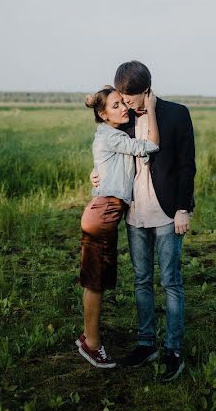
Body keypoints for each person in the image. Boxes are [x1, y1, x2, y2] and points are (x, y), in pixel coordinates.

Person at [91, 60, 196, 382]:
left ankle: (173, 349)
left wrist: (183, 209)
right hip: (134, 213)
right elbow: (106, 151)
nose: (125, 102)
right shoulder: (121, 120)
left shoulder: (177, 114)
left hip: (166, 212)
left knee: (170, 281)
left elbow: (186, 165)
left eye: (130, 96)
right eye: (121, 96)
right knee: (140, 281)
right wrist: (96, 175)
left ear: (146, 90)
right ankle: (146, 342)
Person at [77, 85, 160, 369]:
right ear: (102, 114)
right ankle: (92, 344)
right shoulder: (111, 135)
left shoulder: (112, 134)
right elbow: (150, 146)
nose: (123, 108)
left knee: (97, 280)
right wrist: (153, 112)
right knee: (95, 283)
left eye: (122, 103)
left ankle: (89, 337)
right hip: (103, 214)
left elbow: (112, 169)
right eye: (115, 106)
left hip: (105, 211)